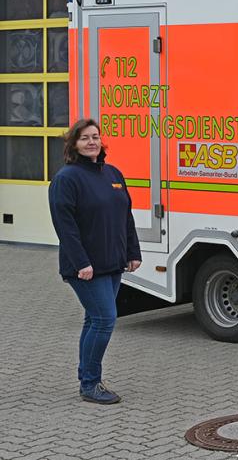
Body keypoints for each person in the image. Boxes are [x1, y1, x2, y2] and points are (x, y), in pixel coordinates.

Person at [49, 118, 142, 404]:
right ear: (73, 144)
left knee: (94, 320)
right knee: (104, 319)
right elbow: (65, 226)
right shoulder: (67, 178)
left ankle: (86, 376)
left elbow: (125, 215)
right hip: (86, 267)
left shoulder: (112, 173)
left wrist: (132, 252)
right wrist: (81, 263)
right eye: (85, 138)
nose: (92, 142)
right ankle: (90, 383)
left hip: (113, 262)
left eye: (95, 137)